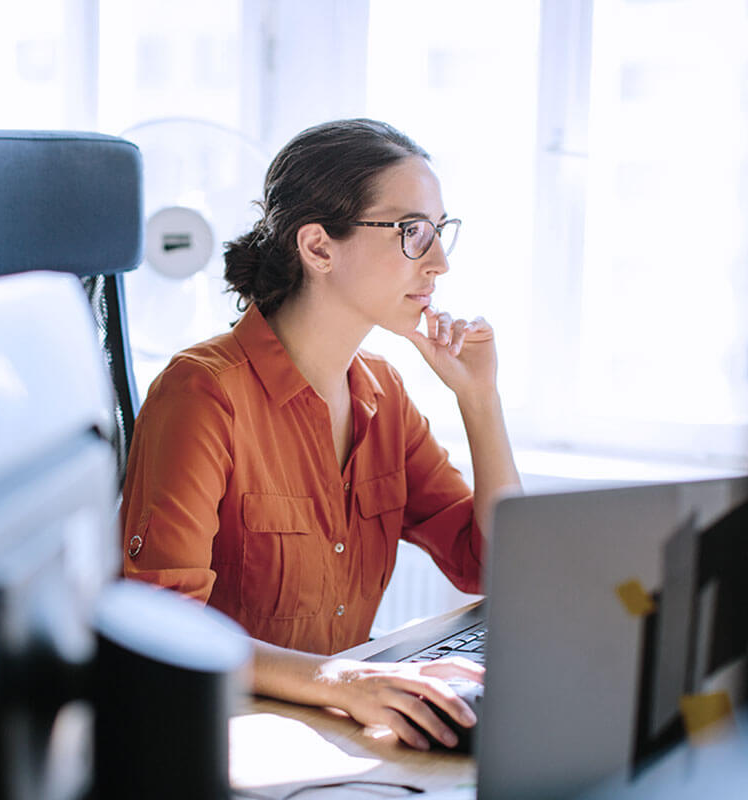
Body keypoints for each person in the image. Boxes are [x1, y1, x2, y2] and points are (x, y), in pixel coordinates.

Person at [120, 118, 521, 750]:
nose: (439, 263)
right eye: (413, 232)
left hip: (330, 735)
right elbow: (164, 629)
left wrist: (480, 399)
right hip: (218, 741)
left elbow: (494, 566)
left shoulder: (383, 395)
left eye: (441, 232)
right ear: (319, 248)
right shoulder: (202, 394)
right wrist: (340, 677)